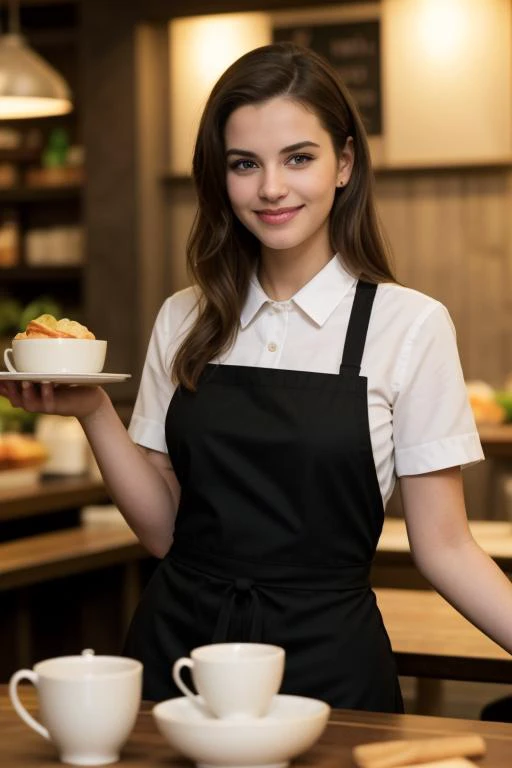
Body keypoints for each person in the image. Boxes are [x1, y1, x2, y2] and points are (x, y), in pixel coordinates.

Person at [2, 42, 512, 713]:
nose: (272, 188)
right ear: (221, 177)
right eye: (245, 164)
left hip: (330, 672)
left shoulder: (409, 326)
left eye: (298, 157)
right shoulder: (184, 316)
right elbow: (163, 533)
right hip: (177, 662)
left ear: (345, 164)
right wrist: (96, 410)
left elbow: (445, 548)